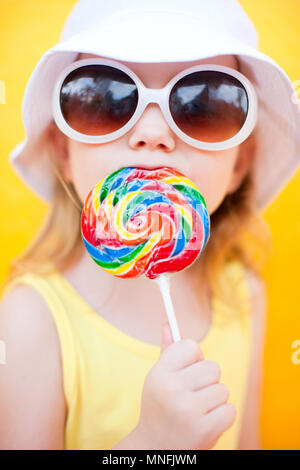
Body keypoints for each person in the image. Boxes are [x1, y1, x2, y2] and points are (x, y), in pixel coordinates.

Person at [0, 0, 299, 450]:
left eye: (204, 103)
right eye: (104, 97)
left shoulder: (242, 292)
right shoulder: (28, 323)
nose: (153, 130)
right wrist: (150, 445)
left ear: (242, 163)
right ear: (64, 150)